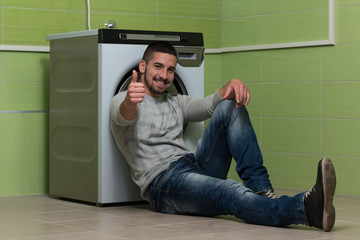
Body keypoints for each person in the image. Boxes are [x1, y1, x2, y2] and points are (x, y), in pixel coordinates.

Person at [110, 41, 337, 232]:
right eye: (158, 67)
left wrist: (231, 84)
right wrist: (131, 100)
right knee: (231, 190)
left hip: (192, 166)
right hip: (164, 183)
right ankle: (305, 209)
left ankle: (262, 191)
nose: (164, 75)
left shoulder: (175, 102)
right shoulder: (122, 100)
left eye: (170, 70)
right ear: (143, 66)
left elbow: (209, 105)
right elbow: (124, 116)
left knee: (230, 106)